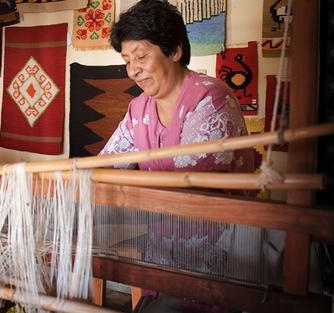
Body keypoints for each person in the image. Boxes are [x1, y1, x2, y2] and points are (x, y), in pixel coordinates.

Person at [99, 1, 254, 312]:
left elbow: (191, 188)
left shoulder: (212, 99)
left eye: (141, 56)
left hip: (218, 259)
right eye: (128, 60)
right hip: (162, 258)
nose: (133, 70)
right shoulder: (139, 109)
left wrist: (131, 185)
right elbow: (106, 163)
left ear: (174, 51)